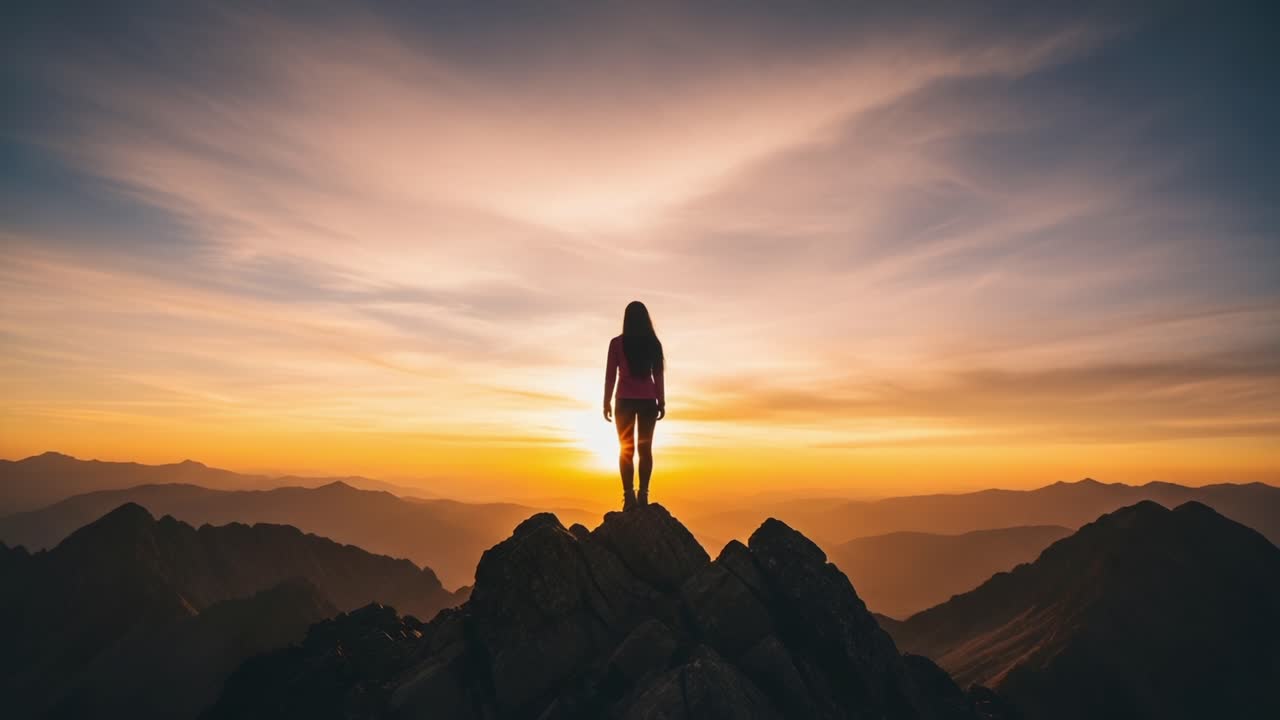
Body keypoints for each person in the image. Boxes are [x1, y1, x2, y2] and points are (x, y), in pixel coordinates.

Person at [603, 300, 665, 511]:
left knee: (626, 449)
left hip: (624, 402)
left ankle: (629, 496)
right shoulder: (653, 344)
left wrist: (606, 401)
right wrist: (661, 400)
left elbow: (610, 376)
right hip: (648, 401)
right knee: (645, 449)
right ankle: (643, 495)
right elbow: (658, 375)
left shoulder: (616, 344)